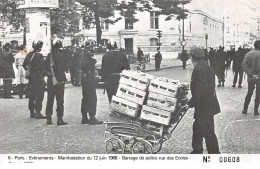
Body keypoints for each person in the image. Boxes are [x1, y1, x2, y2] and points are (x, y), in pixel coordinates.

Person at [188, 47, 221, 154]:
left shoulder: (199, 69)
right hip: (208, 105)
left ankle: (215, 154)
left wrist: (192, 102)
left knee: (208, 132)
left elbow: (201, 90)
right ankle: (197, 151)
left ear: (193, 58)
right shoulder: (207, 67)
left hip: (204, 107)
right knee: (198, 128)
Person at [45, 39, 68, 125]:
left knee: (50, 99)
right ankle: (59, 118)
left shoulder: (49, 56)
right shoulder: (62, 56)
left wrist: (49, 74)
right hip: (60, 80)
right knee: (60, 100)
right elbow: (64, 67)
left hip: (51, 80)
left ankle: (49, 117)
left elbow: (45, 69)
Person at [80, 40, 103, 125]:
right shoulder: (87, 54)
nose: (94, 48)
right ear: (89, 47)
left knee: (85, 98)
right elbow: (85, 64)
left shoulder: (84, 53)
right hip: (88, 79)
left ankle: (84, 117)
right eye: (93, 46)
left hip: (85, 79)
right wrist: (93, 61)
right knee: (92, 98)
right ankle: (92, 117)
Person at [23, 40, 47, 119]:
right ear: (39, 47)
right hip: (38, 77)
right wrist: (43, 74)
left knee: (32, 95)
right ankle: (38, 112)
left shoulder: (29, 55)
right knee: (39, 94)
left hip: (31, 77)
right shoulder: (39, 56)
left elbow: (24, 65)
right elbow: (43, 66)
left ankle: (32, 112)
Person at [242, 40, 260, 115]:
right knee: (258, 94)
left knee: (249, 93)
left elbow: (244, 64)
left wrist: (250, 74)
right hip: (259, 77)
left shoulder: (248, 54)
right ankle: (256, 110)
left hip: (251, 77)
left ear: (254, 46)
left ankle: (245, 109)